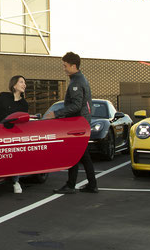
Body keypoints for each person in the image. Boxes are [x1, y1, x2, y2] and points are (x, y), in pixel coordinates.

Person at [53, 52, 98, 194]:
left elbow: (77, 105)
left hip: (78, 124)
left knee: (74, 153)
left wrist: (56, 113)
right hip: (81, 123)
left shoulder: (76, 82)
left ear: (73, 66)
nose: (64, 68)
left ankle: (72, 185)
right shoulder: (80, 79)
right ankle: (90, 184)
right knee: (82, 155)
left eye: (65, 66)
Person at [0, 75, 28, 193]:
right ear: (14, 85)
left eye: (25, 83)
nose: (24, 85)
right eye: (21, 82)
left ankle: (15, 182)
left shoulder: (24, 104)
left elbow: (23, 122)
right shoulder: (4, 96)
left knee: (13, 156)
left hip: (10, 134)